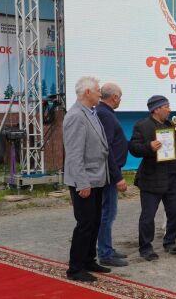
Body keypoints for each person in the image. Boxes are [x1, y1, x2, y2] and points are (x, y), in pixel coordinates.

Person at [63, 76, 110, 282]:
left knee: (95, 221)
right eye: (98, 90)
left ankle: (89, 260)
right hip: (84, 181)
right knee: (85, 223)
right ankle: (75, 268)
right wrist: (82, 183)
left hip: (97, 178)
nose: (101, 93)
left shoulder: (90, 112)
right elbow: (74, 154)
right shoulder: (75, 116)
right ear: (88, 93)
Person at [129, 95, 176, 261]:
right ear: (156, 109)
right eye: (166, 106)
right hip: (151, 178)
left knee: (175, 213)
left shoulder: (171, 126)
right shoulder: (142, 126)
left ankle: (170, 242)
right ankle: (146, 248)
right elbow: (133, 148)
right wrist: (149, 146)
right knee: (148, 216)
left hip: (172, 178)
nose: (169, 109)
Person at [96, 83, 129, 267]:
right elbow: (106, 148)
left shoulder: (105, 113)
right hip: (109, 174)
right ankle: (105, 253)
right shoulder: (105, 114)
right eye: (120, 97)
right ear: (114, 97)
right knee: (107, 214)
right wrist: (118, 177)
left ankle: (106, 247)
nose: (120, 100)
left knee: (108, 213)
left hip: (110, 171)